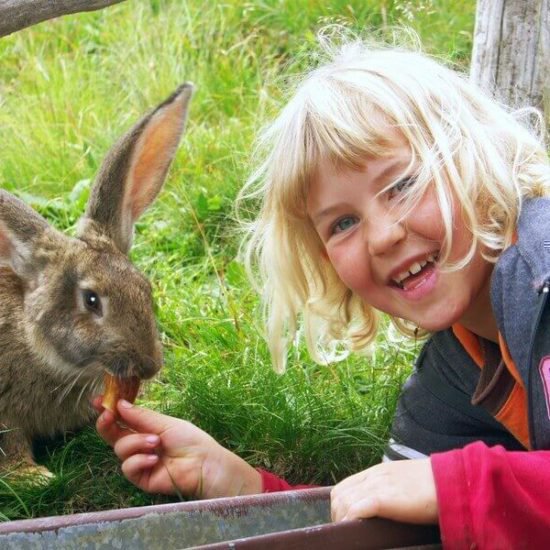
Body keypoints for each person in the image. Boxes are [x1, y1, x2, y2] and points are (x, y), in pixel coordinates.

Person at [95, 34, 550, 548]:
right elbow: (383, 526)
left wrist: (463, 486)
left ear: (474, 156)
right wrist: (239, 486)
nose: (383, 236)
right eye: (343, 223)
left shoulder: (544, 267)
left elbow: (456, 495)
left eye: (402, 184)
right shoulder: (454, 374)